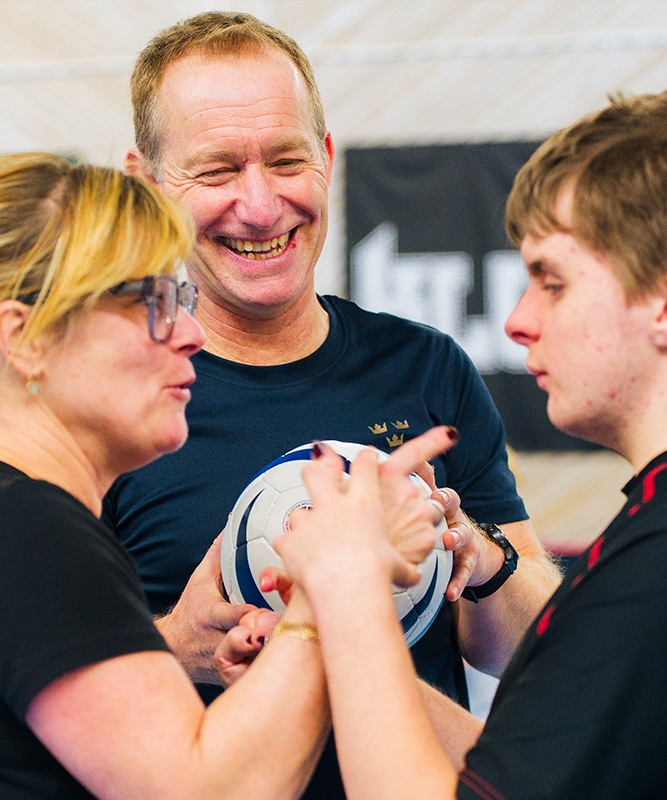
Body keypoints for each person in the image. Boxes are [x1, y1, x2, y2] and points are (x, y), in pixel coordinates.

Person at [0, 152, 452, 799]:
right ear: (25, 339)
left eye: (181, 297)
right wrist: (333, 579)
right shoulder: (20, 527)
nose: (192, 333)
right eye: (155, 300)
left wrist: (178, 650)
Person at [275, 89, 667, 799]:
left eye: (552, 282)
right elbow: (518, 772)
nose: (518, 320)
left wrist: (347, 591)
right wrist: (332, 645)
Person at [107, 12, 559, 796]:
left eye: (286, 159)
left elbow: (536, 650)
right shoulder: (113, 395)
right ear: (147, 182)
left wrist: (475, 554)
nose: (259, 205)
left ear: (325, 157)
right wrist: (171, 646)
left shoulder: (425, 368)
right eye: (216, 170)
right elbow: (24, 689)